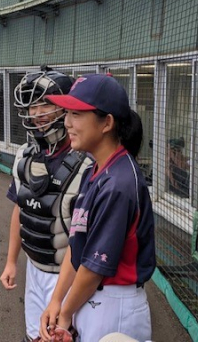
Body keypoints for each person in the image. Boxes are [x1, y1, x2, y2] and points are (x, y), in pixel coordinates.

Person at [40, 74, 156, 342]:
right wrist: (57, 301)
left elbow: (94, 268)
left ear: (107, 123)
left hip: (116, 307)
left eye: (77, 114)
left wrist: (66, 313)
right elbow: (77, 245)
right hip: (91, 299)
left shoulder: (119, 182)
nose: (67, 122)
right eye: (67, 112)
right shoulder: (94, 169)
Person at [0, 68, 92, 342]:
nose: (37, 113)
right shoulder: (24, 157)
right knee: (33, 337)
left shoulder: (86, 165)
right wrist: (10, 262)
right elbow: (21, 209)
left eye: (46, 105)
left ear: (65, 107)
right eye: (32, 106)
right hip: (34, 269)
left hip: (68, 277)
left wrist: (61, 297)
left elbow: (82, 241)